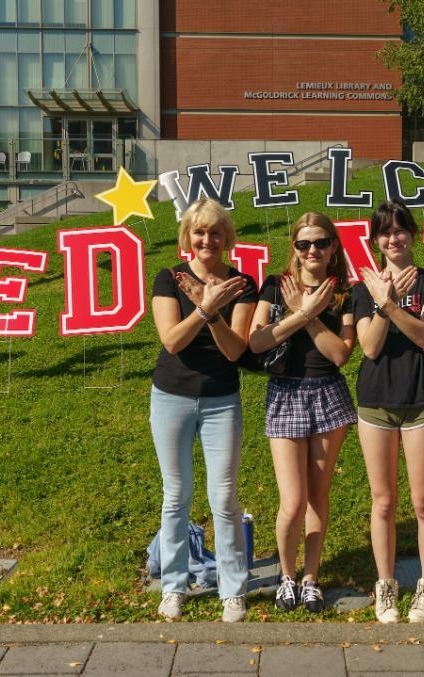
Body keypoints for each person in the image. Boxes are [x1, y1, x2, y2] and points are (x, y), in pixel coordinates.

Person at [150, 197, 257, 623]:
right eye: (199, 231)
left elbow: (235, 350)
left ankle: (233, 589)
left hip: (221, 399)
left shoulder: (243, 285)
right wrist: (203, 308)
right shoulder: (169, 278)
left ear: (226, 237)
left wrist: (212, 313)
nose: (207, 239)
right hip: (171, 395)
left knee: (224, 496)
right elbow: (172, 341)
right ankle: (174, 586)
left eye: (215, 232)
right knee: (175, 494)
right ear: (187, 237)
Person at [249, 212, 356, 613]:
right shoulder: (277, 286)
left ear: (333, 247)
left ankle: (310, 577)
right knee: (292, 500)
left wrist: (308, 316)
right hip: (286, 393)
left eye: (321, 242)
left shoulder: (345, 291)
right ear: (294, 247)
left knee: (318, 494)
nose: (312, 250)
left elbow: (341, 354)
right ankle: (286, 575)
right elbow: (257, 342)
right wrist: (302, 312)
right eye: (304, 243)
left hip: (328, 394)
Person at [352, 201, 424, 623]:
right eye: (384, 233)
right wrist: (379, 302)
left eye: (400, 230)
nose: (393, 238)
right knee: (383, 502)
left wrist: (391, 306)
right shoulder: (361, 289)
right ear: (375, 241)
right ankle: (386, 586)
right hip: (375, 403)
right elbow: (369, 348)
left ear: (413, 234)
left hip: (421, 401)